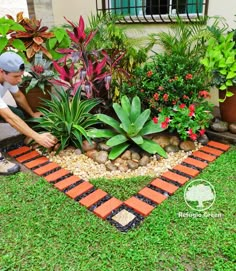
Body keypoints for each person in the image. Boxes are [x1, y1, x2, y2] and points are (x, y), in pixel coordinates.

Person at [0, 51, 58, 175]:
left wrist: (32, 114)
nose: (20, 79)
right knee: (13, 117)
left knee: (20, 115)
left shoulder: (7, 78)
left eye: (20, 75)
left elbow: (19, 96)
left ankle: (27, 136)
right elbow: (10, 118)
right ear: (1, 71)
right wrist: (37, 137)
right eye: (16, 76)